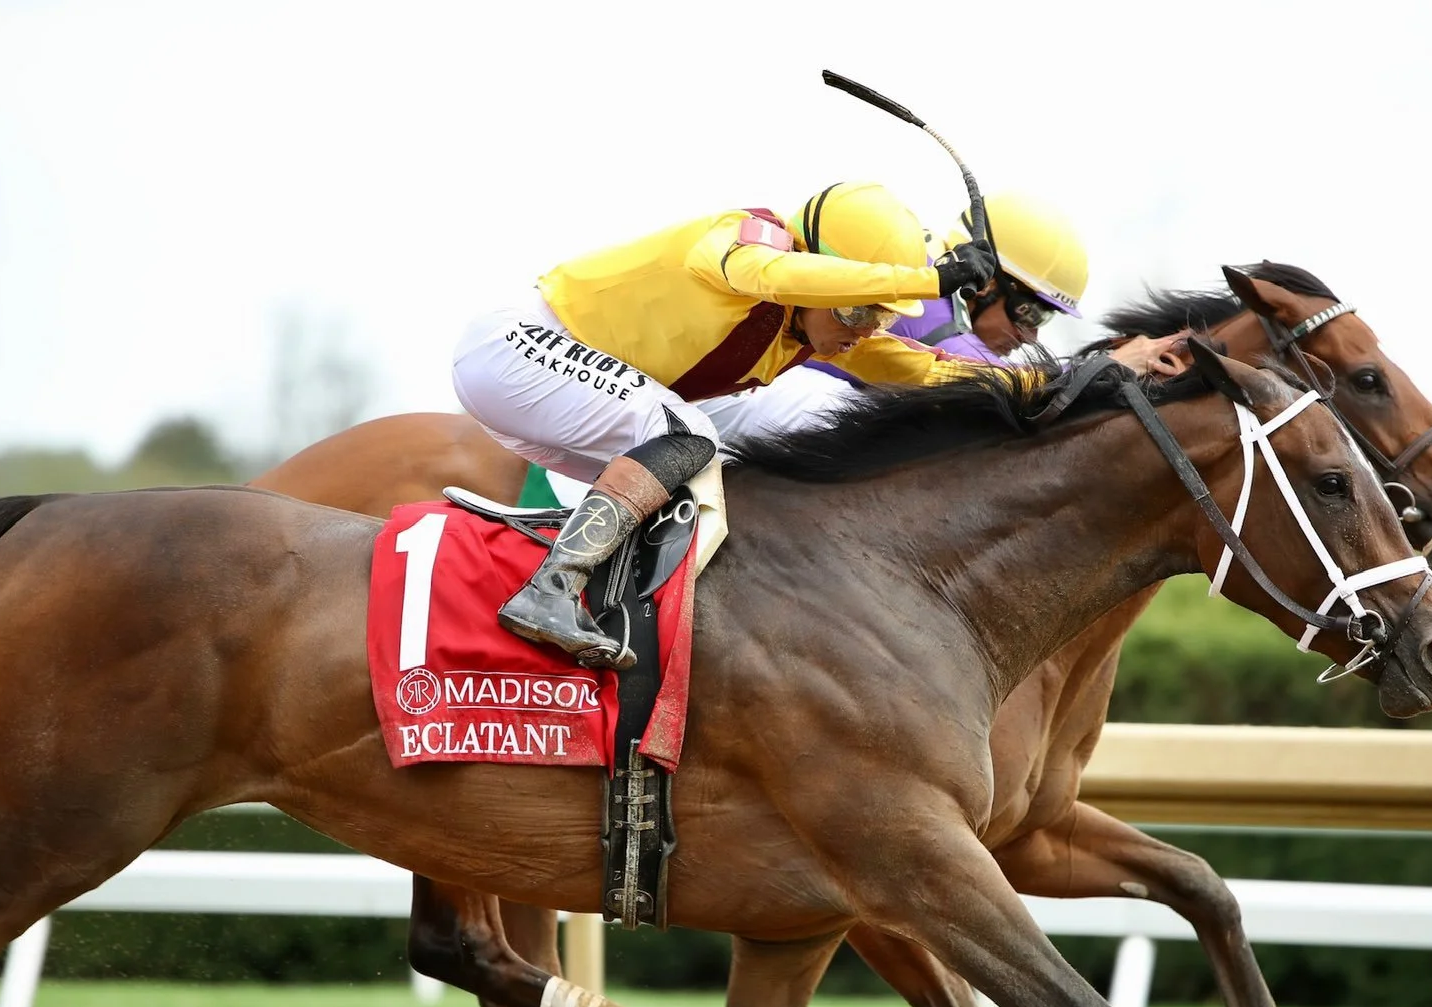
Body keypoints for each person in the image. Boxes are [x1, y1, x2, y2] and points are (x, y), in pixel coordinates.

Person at [450, 181, 999, 669]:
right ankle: (549, 589)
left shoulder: (803, 326)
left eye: (879, 316)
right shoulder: (746, 240)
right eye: (857, 311)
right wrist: (930, 279)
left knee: (712, 469)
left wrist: (1039, 385)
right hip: (515, 348)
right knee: (689, 436)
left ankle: (618, 600)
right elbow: (769, 273)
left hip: (552, 378)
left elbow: (914, 366)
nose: (863, 330)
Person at [699, 189, 1186, 442]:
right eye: (1028, 309)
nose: (1028, 333)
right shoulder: (926, 297)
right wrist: (1108, 369)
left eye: (1044, 319)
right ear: (987, 284)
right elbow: (982, 378)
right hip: (734, 393)